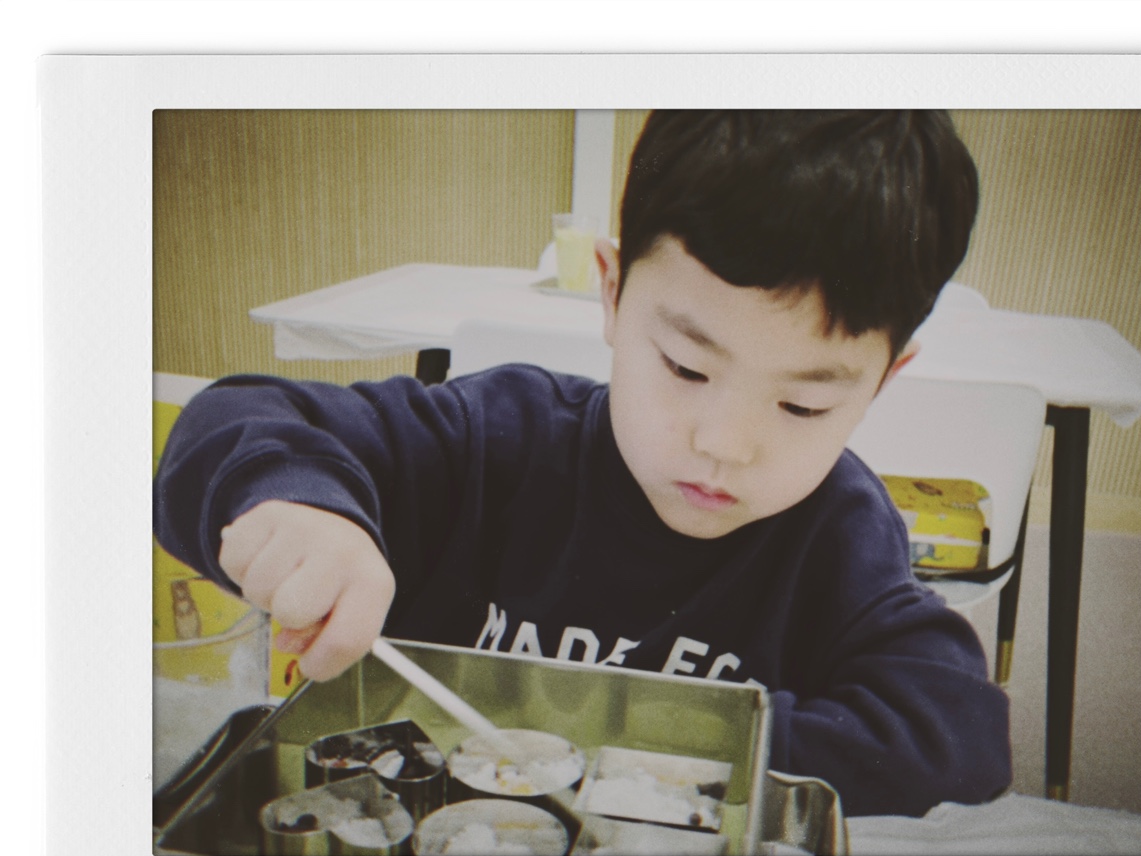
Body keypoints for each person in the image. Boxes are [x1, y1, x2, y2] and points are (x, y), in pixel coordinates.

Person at [154, 110, 1011, 817]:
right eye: (686, 367)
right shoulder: (494, 441)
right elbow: (234, 418)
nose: (724, 444)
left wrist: (630, 735)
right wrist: (299, 507)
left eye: (804, 406)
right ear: (611, 289)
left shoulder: (839, 531)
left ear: (884, 378)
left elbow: (957, 734)